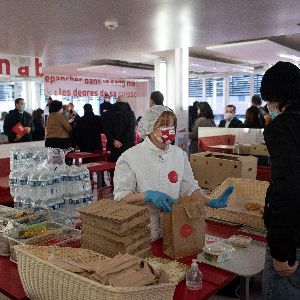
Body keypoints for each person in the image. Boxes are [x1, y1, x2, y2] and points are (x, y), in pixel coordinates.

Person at [113, 105, 233, 241]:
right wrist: (147, 195)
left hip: (173, 231)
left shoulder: (179, 155)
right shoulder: (130, 157)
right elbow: (120, 198)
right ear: (150, 127)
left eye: (172, 125)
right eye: (164, 124)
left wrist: (209, 201)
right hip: (141, 233)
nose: (170, 129)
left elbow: (189, 189)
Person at [260, 61, 300, 300]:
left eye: (269, 100)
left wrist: (280, 249)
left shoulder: (283, 128)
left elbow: (288, 189)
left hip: (292, 244)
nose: (269, 106)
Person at [103, 95, 136, 162]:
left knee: (114, 168)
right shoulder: (130, 113)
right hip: (127, 146)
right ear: (126, 102)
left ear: (117, 101)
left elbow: (106, 129)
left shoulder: (108, 113)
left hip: (113, 146)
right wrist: (122, 141)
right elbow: (131, 129)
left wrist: (113, 141)